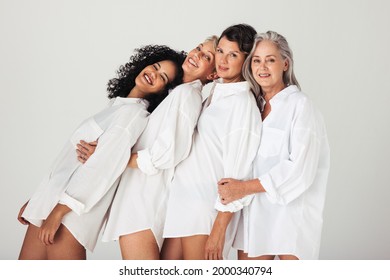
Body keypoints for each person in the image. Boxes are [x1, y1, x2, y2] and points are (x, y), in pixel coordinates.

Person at [17, 45, 185, 260]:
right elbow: (70, 162)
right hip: (49, 204)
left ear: (163, 91)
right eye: (155, 66)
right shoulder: (118, 107)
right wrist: (38, 199)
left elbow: (101, 168)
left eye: (162, 77)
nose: (153, 74)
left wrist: (59, 211)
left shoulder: (133, 114)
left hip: (68, 214)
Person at [77, 36, 219, 260]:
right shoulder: (176, 94)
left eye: (207, 56)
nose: (197, 54)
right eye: (199, 48)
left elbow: (165, 155)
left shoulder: (186, 95)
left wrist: (108, 156)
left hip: (142, 205)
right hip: (137, 202)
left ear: (212, 74)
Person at [218, 31, 330, 260]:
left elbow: (299, 169)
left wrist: (244, 187)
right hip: (253, 220)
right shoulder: (252, 107)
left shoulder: (300, 106)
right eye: (257, 60)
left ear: (285, 63)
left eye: (270, 59)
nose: (263, 67)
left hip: (291, 220)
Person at [162, 24, 262, 260]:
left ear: (246, 61)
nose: (223, 60)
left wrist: (219, 229)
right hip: (182, 203)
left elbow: (238, 173)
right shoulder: (214, 92)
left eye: (233, 54)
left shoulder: (241, 104)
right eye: (220, 51)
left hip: (205, 210)